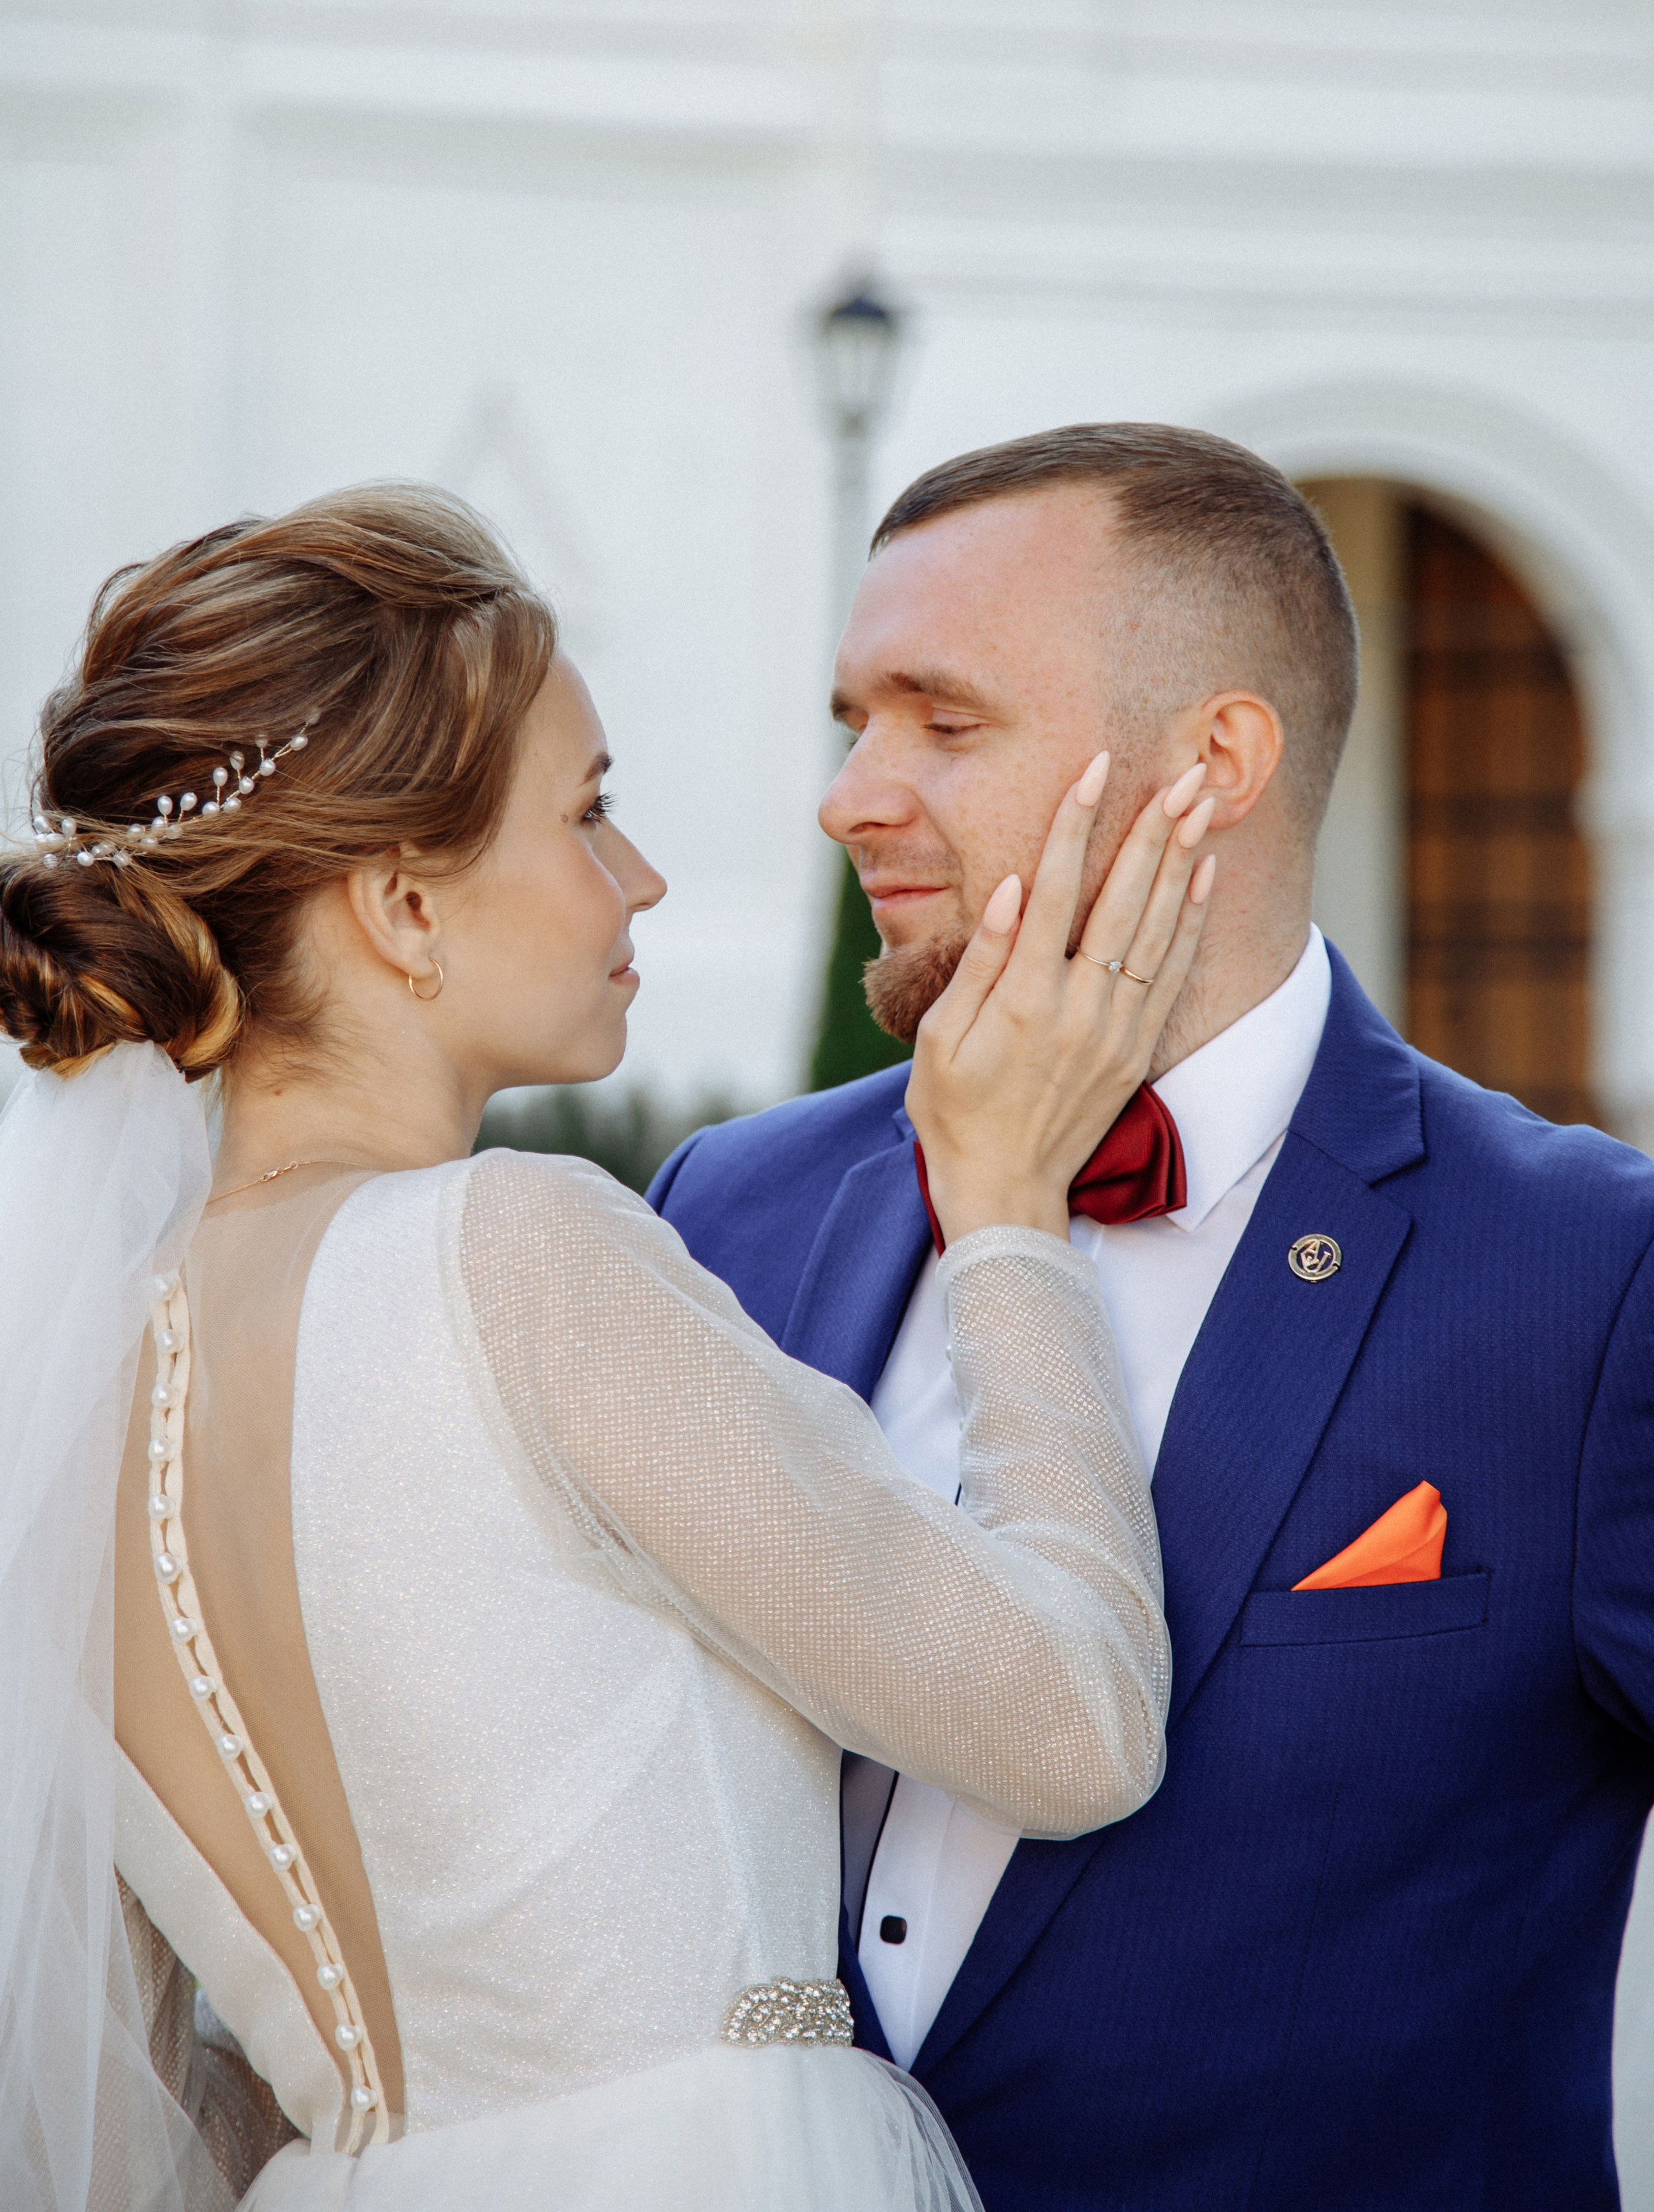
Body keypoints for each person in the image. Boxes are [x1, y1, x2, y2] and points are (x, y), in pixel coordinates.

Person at [0, 485, 1217, 2212]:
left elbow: (125, 2095)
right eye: (588, 813)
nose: (638, 877)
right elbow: (1071, 1725)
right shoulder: (516, 1253)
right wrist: (1010, 1210)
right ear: (403, 906)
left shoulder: (61, 1389)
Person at [651, 425, 1654, 2211]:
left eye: (945, 722)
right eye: (853, 723)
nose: (851, 798)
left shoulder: (1589, 1276)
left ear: (1218, 760)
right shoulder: (729, 1209)